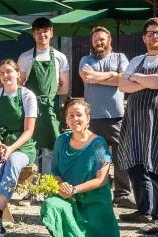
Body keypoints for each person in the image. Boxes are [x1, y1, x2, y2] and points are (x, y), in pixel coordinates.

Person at [118, 18, 158, 235]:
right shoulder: (136, 59)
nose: (154, 36)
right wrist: (146, 78)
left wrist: (135, 78)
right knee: (136, 165)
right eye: (150, 33)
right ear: (143, 38)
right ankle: (143, 210)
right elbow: (123, 85)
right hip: (134, 120)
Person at [40, 98, 120, 237]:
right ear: (66, 119)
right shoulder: (61, 140)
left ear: (87, 118)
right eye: (71, 115)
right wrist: (62, 185)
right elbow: (55, 172)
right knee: (50, 205)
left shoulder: (98, 144)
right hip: (67, 197)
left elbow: (101, 180)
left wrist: (75, 189)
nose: (75, 119)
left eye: (79, 115)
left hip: (93, 200)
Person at [78, 26, 135, 209]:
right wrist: (111, 75)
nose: (98, 42)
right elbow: (86, 78)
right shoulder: (85, 59)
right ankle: (96, 191)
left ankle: (122, 194)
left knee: (121, 158)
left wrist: (99, 76)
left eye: (102, 39)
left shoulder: (120, 58)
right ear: (91, 42)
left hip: (116, 116)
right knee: (94, 158)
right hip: (92, 118)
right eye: (95, 40)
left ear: (109, 40)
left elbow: (122, 80)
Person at [0, 59, 37, 236]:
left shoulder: (28, 96)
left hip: (22, 145)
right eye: (1, 72)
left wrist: (11, 148)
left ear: (17, 73)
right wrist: (1, 146)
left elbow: (29, 131)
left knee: (13, 164)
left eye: (9, 71)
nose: (5, 75)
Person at [17, 17, 69, 176]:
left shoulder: (60, 57)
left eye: (45, 31)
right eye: (38, 32)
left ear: (51, 32)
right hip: (29, 109)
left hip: (51, 109)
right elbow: (19, 85)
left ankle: (47, 187)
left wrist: (49, 96)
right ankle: (30, 188)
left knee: (50, 150)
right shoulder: (25, 57)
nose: (42, 35)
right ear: (33, 34)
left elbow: (64, 87)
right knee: (30, 147)